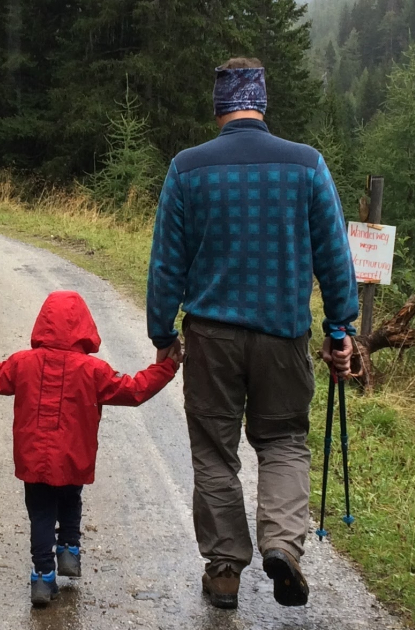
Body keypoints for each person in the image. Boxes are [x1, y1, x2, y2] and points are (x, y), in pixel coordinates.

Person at [146, 58, 360, 610]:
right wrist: (341, 329)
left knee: (215, 453)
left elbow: (166, 264)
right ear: (261, 102)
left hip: (212, 338)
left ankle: (223, 573)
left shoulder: (186, 169)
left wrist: (161, 330)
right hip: (283, 335)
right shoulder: (307, 165)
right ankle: (283, 546)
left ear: (218, 106)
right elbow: (335, 259)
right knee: (284, 441)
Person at [0, 291, 180, 606]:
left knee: (41, 513)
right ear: (84, 327)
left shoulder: (23, 363)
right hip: (74, 457)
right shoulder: (94, 370)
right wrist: (166, 368)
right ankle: (69, 550)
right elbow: (133, 389)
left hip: (33, 458)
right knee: (71, 500)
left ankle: (43, 576)